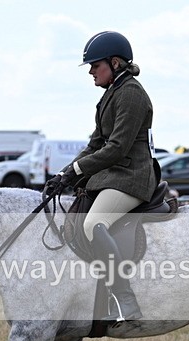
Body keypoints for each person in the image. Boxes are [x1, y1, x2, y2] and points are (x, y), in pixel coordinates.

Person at [43, 30, 157, 323]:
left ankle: (125, 298)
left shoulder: (131, 93)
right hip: (113, 174)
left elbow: (117, 148)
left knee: (95, 223)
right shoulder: (112, 94)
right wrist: (66, 172)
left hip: (131, 174)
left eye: (96, 65)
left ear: (115, 63)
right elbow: (95, 144)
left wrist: (78, 170)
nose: (92, 71)